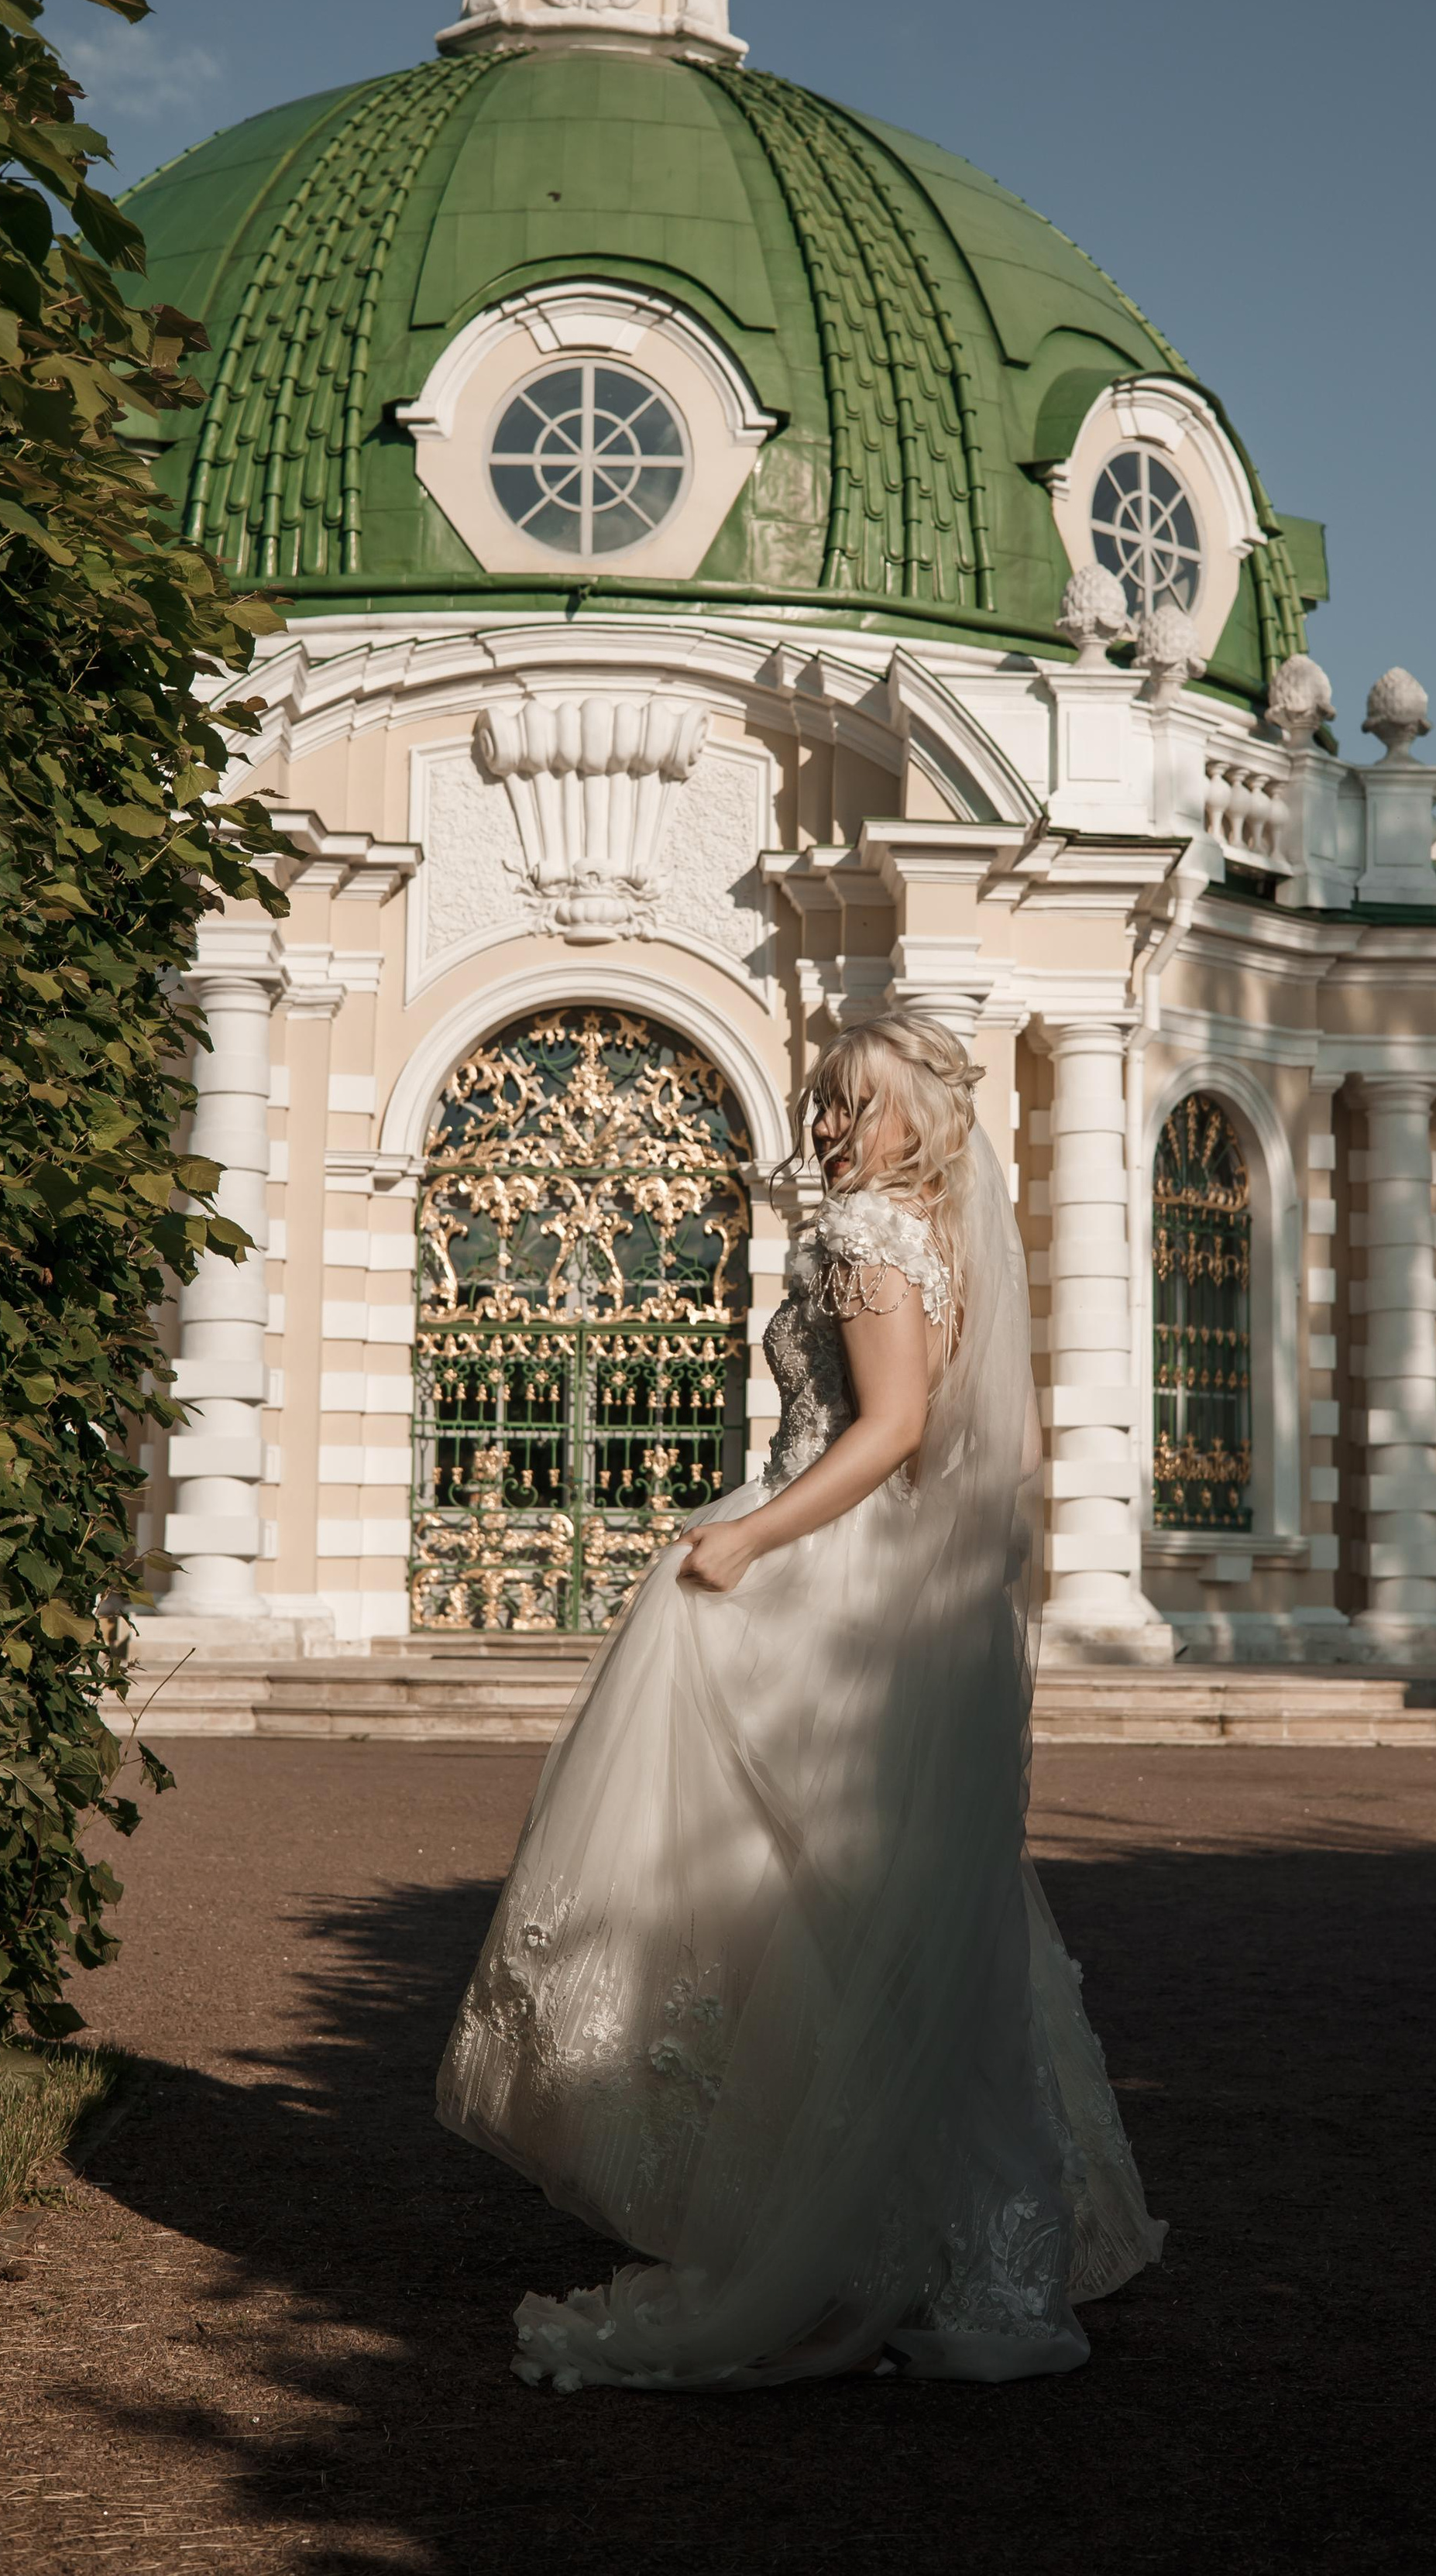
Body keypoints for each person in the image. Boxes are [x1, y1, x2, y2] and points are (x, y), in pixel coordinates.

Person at [437, 1012, 1165, 2389]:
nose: (827, 1128)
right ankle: (970, 2248)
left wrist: (750, 1540)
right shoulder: (932, 1237)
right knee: (895, 1920)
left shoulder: (867, 1238)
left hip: (823, 1594)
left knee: (796, 1907)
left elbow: (891, 1433)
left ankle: (838, 2229)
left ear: (919, 1120)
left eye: (856, 1106)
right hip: (882, 1596)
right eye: (822, 1103)